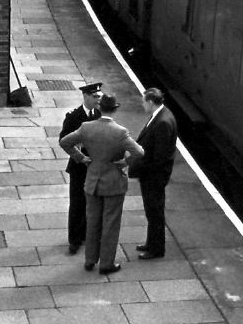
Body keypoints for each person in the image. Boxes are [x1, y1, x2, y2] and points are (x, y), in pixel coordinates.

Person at [59, 94, 143, 275]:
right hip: (113, 183)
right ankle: (106, 264)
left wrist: (82, 158)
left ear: (100, 107)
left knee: (92, 222)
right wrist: (124, 163)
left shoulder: (86, 127)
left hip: (92, 181)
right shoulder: (120, 131)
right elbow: (139, 152)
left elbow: (65, 142)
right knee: (110, 223)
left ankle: (90, 260)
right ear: (114, 109)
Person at [128, 87, 178, 260]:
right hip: (152, 175)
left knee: (155, 212)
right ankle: (151, 243)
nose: (142, 105)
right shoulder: (161, 115)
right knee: (152, 211)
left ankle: (156, 249)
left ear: (150, 102)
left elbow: (159, 157)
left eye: (143, 102)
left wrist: (137, 167)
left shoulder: (163, 122)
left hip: (154, 177)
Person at [59, 82, 103, 254]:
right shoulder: (73, 117)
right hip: (79, 167)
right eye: (94, 97)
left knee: (91, 201)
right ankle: (74, 239)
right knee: (77, 203)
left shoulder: (99, 114)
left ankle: (86, 233)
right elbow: (64, 140)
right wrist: (80, 157)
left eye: (99, 97)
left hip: (95, 166)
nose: (97, 100)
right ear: (85, 97)